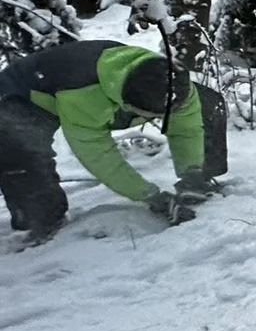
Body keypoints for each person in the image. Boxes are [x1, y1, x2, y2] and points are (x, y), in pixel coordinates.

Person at [0, 40, 219, 242]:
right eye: (154, 115)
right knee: (21, 154)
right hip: (22, 96)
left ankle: (202, 178)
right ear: (127, 105)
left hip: (94, 90)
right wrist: (151, 197)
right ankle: (41, 225)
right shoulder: (84, 95)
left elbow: (186, 129)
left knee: (208, 103)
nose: (159, 119)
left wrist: (191, 172)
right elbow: (99, 155)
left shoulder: (174, 83)